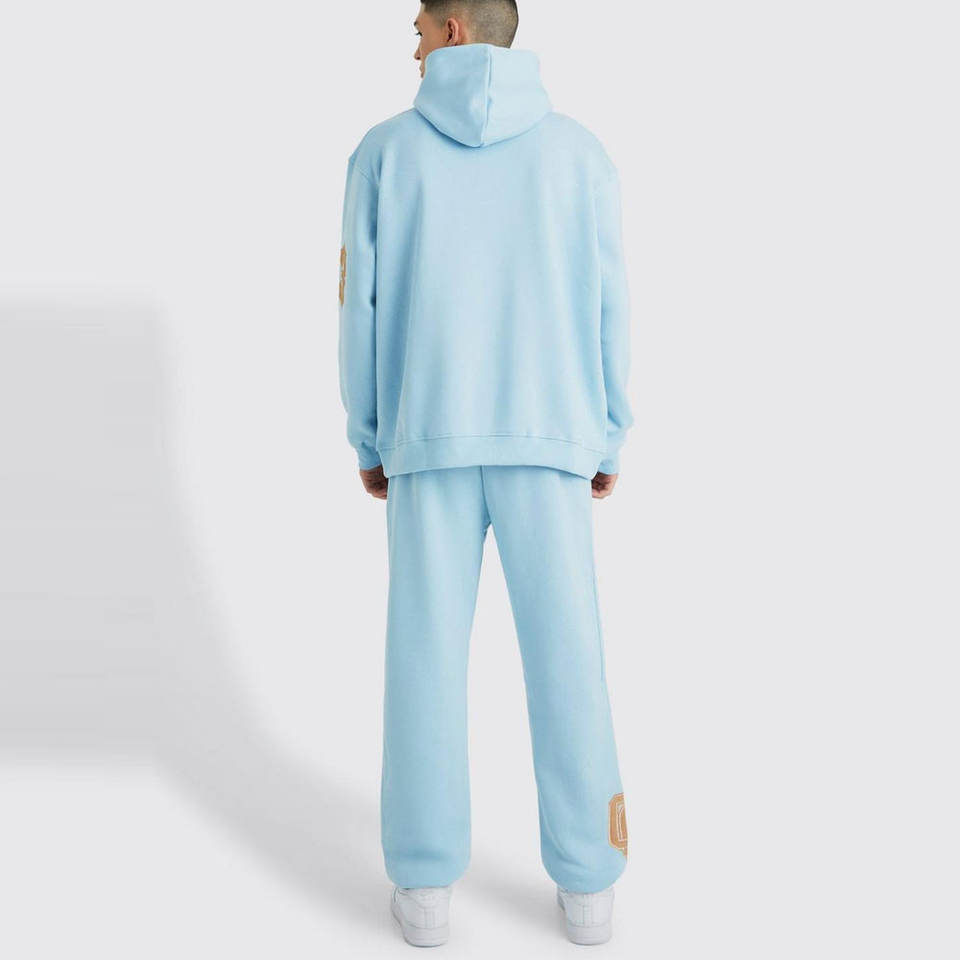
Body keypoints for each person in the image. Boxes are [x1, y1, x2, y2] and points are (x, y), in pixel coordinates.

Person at [338, 0, 633, 946]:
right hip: (552, 436)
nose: (412, 41)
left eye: (420, 26)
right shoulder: (580, 155)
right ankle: (590, 888)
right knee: (569, 654)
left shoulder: (384, 153)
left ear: (456, 32)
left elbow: (358, 311)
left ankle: (424, 888)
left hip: (429, 436)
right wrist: (607, 434)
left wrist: (370, 436)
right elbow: (609, 301)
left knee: (423, 658)